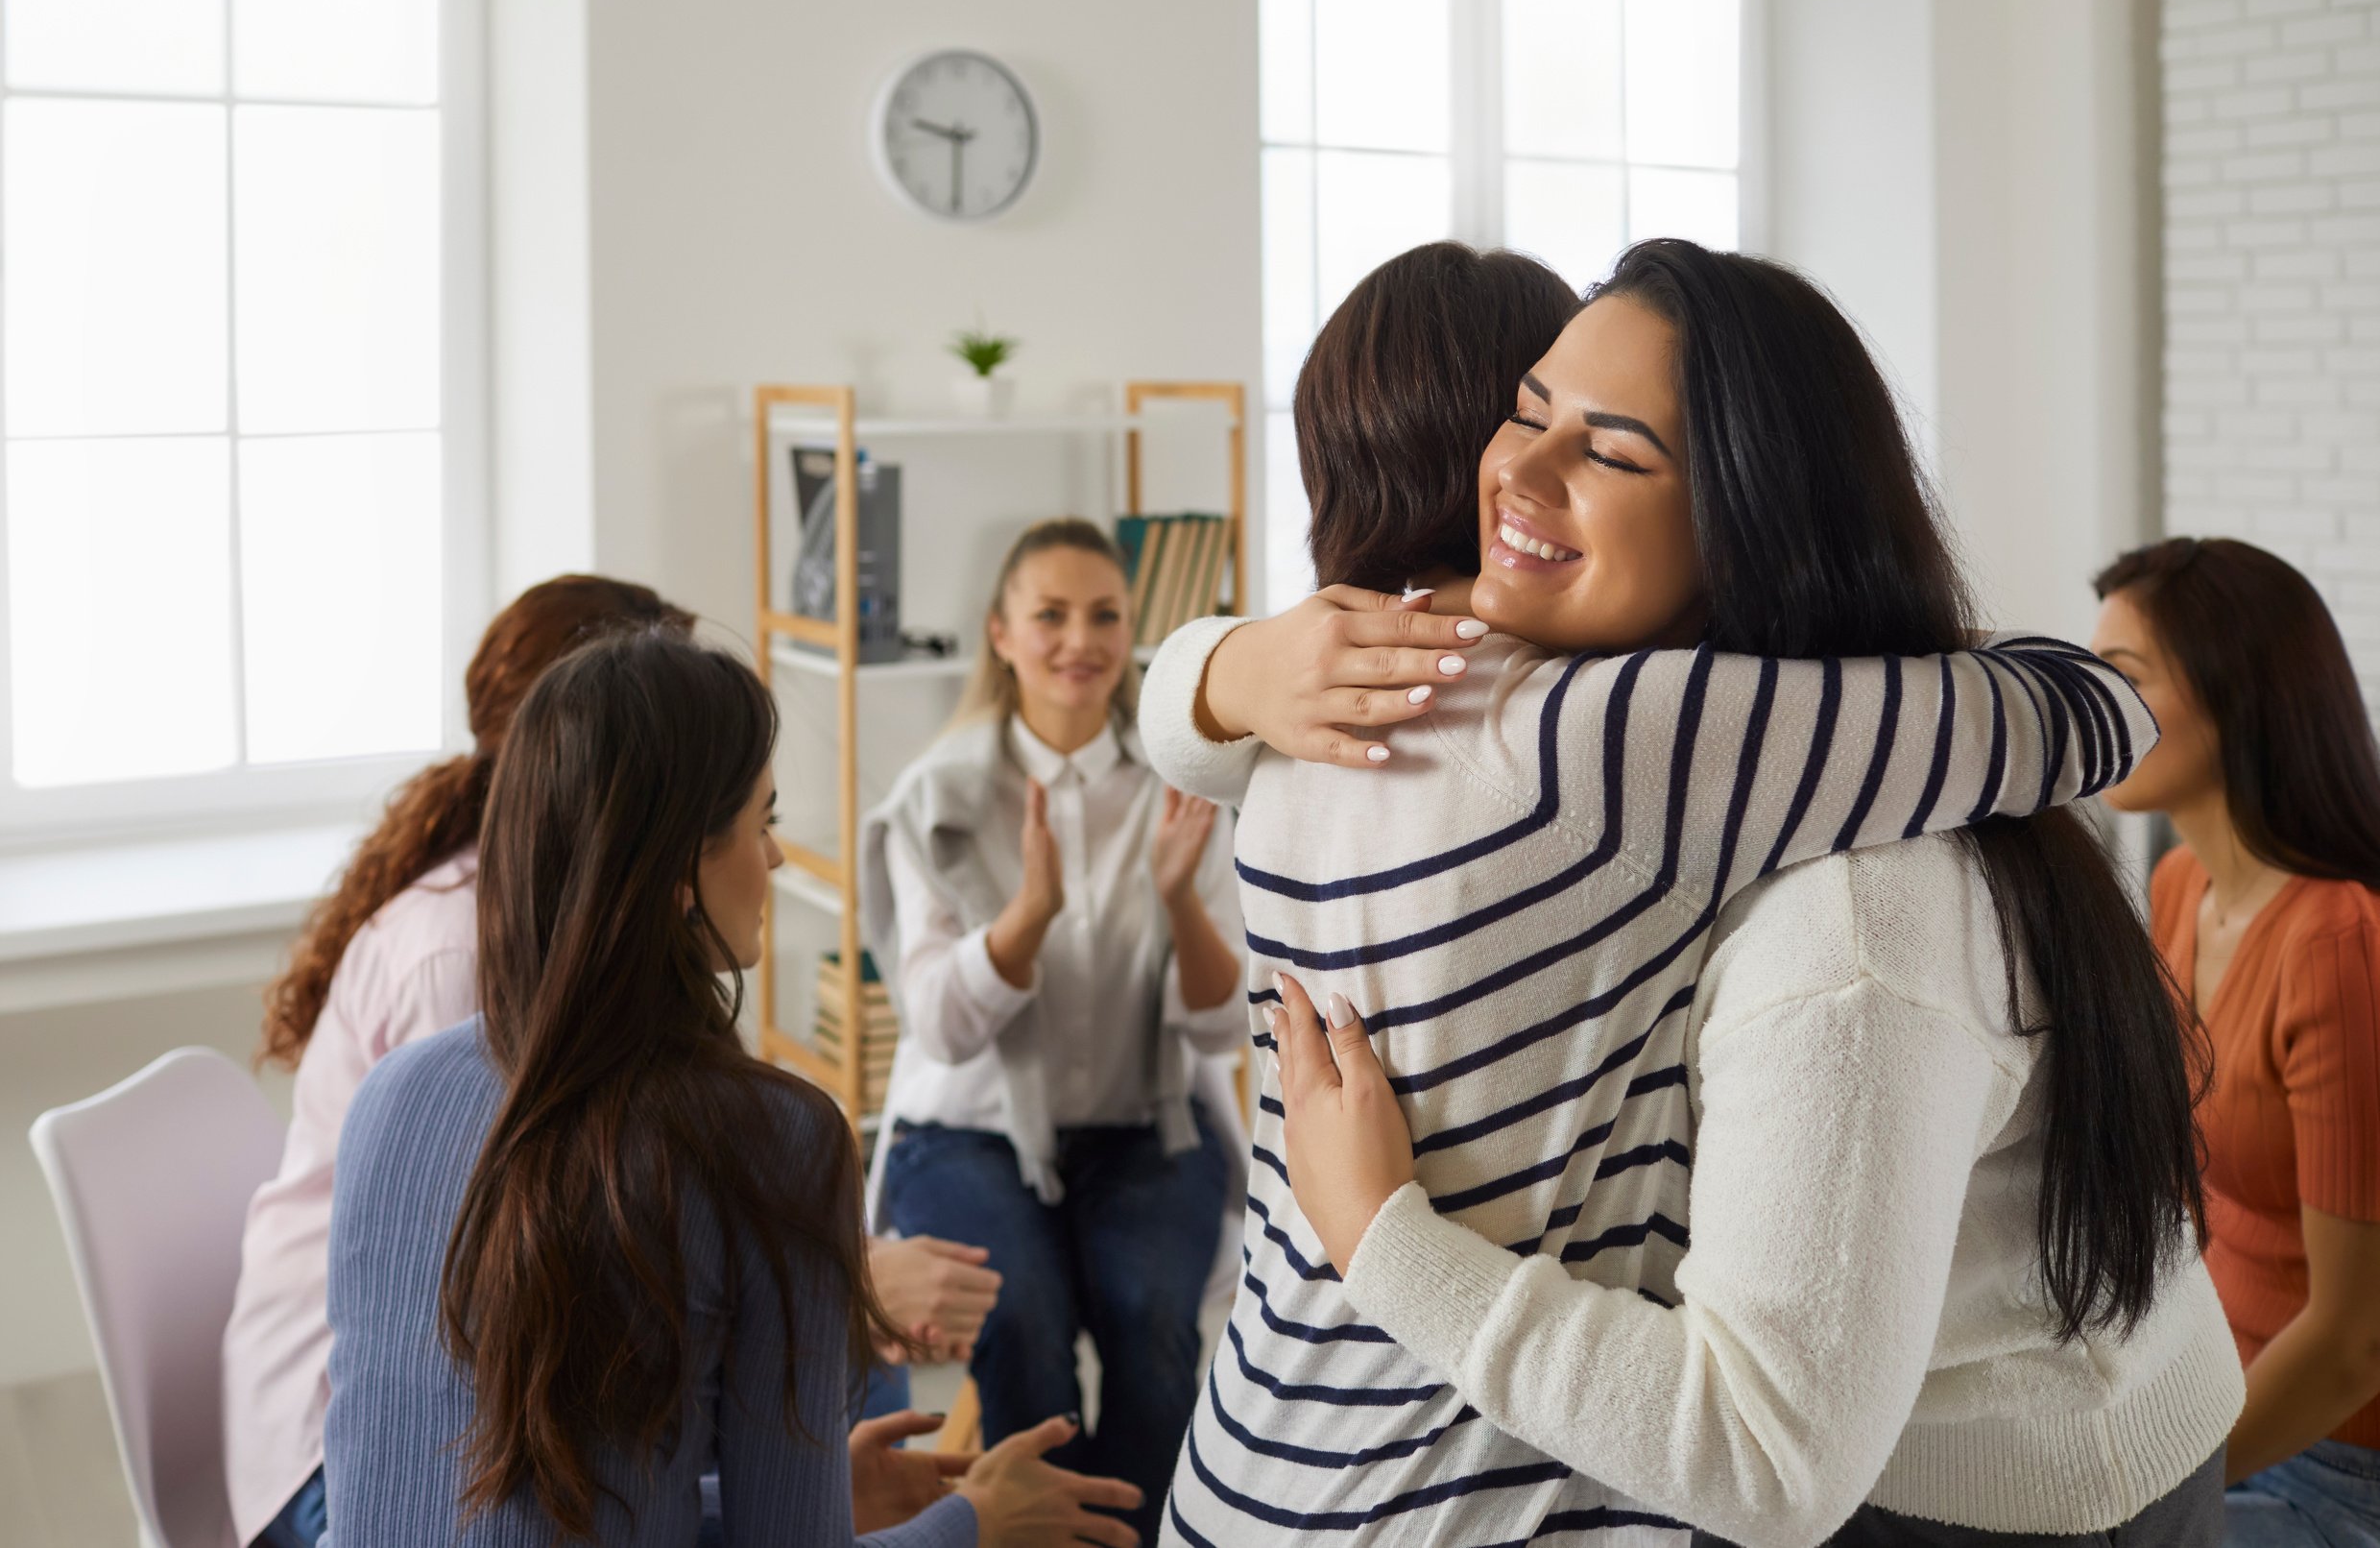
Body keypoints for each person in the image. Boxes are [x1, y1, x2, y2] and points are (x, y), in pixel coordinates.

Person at [1151, 241, 2239, 1545]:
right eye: (1525, 412)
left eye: (1611, 453)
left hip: (1976, 1489)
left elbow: (1765, 1460)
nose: (1515, 473)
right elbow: (2088, 704)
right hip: (1992, 1429)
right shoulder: (1659, 748)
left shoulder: (1827, 891)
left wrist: (1224, 669)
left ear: (1745, 514)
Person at [224, 575, 998, 1548]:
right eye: (761, 822)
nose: (778, 859)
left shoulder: (396, 1097)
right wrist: (975, 1526)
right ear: (678, 867)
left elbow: (512, 1495)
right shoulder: (784, 1137)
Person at [859, 519, 1249, 1548]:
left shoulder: (1186, 785)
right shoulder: (935, 799)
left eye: (1105, 615)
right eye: (1050, 615)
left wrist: (1179, 900)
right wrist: (1025, 916)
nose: (1080, 639)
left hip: (1145, 1124)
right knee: (1022, 1326)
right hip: (969, 1132)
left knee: (1151, 1325)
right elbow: (939, 1027)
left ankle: (1142, 1536)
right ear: (999, 633)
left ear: (1133, 632)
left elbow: (1219, 1024)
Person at [2091, 538, 2380, 1544]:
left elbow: (2355, 1343)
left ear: (2233, 694)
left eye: (2121, 677)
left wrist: (2156, 1487)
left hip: (2331, 1466)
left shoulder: (2336, 945)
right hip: (2210, 1391)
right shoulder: (2179, 886)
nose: (2091, 705)